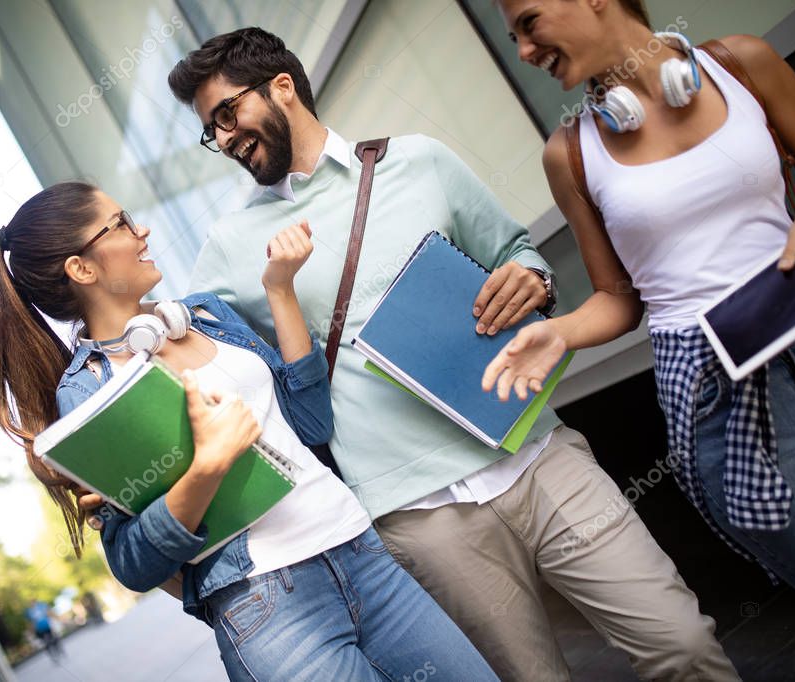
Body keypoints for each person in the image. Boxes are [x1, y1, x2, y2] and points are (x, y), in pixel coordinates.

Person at [148, 26, 739, 682]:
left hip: (535, 454)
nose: (224, 138)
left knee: (681, 643)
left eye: (228, 114)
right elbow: (188, 358)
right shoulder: (229, 247)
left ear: (282, 87)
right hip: (416, 516)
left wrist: (532, 280)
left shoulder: (418, 161)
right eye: (212, 130)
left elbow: (516, 252)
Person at [0, 182, 497, 681]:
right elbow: (133, 563)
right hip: (267, 607)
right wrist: (208, 467)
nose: (144, 233)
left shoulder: (204, 314)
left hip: (359, 551)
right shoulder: (89, 390)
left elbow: (313, 422)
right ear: (81, 267)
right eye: (122, 223)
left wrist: (280, 289)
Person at [488, 0, 795, 624]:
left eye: (529, 24)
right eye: (512, 38)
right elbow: (620, 299)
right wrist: (558, 333)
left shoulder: (743, 63)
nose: (524, 53)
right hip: (721, 396)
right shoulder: (571, 153)